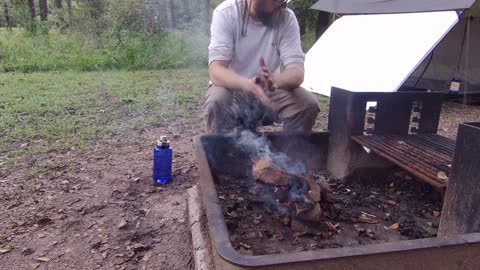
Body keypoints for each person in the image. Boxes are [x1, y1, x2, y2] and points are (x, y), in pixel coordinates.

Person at [203, 0, 320, 133]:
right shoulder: (226, 13)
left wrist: (276, 81)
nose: (283, 5)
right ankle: (222, 152)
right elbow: (216, 70)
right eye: (276, 0)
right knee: (217, 102)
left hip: (269, 92)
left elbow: (297, 72)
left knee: (307, 104)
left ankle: (291, 151)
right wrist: (248, 84)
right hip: (232, 90)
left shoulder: (286, 17)